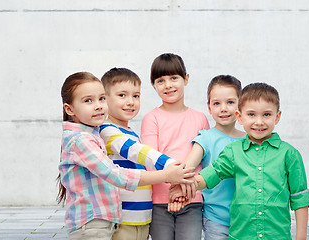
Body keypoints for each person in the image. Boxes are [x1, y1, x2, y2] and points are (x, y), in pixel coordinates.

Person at [56, 72, 195, 239]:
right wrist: (170, 171)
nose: (99, 105)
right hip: (104, 220)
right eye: (88, 100)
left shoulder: (103, 134)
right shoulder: (97, 134)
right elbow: (124, 167)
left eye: (101, 99)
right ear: (69, 109)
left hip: (129, 218)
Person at [170, 82, 309, 240]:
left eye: (266, 114)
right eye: (251, 114)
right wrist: (185, 187)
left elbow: (300, 199)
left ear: (277, 116)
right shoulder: (233, 151)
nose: (259, 122)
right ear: (240, 116)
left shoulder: (290, 154)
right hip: (240, 235)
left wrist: (301, 238)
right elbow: (210, 175)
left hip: (277, 235)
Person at [99, 67, 186, 240]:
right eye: (122, 95)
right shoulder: (106, 130)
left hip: (142, 219)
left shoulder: (131, 132)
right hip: (121, 220)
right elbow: (137, 152)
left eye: (136, 96)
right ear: (104, 99)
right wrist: (170, 166)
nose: (130, 101)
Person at [141, 53, 210, 239]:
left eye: (174, 78)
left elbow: (205, 160)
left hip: (192, 199)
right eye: (161, 80)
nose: (168, 85)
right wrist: (174, 184)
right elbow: (150, 159)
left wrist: (183, 190)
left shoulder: (200, 119)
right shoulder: (151, 118)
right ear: (153, 85)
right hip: (159, 202)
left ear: (186, 79)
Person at [170, 75, 245, 240]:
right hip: (215, 218)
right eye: (217, 103)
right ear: (209, 108)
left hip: (246, 219)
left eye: (230, 102)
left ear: (241, 105)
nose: (223, 108)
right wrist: (179, 190)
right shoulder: (206, 138)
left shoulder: (248, 140)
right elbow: (187, 169)